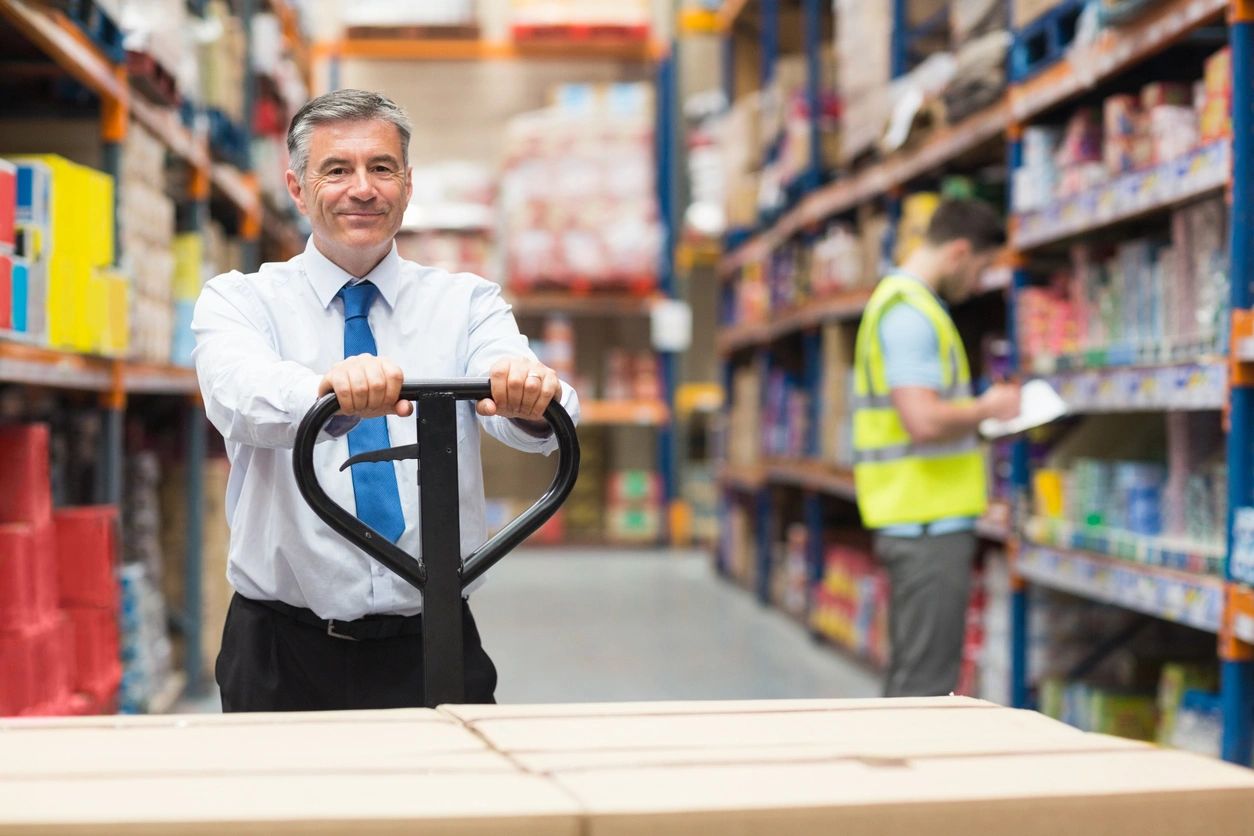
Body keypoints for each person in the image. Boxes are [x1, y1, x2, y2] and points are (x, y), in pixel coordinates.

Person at [191, 89, 580, 712]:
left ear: (406, 183)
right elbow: (237, 397)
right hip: (281, 648)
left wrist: (530, 395)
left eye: (381, 168)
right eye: (337, 170)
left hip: (433, 640)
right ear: (296, 188)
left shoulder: (468, 303)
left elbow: (524, 389)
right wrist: (325, 396)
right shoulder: (240, 301)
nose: (363, 189)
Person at [851, 199, 1019, 698]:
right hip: (924, 525)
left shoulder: (908, 305)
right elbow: (921, 419)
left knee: (914, 677)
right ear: (959, 252)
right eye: (982, 268)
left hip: (919, 519)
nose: (978, 282)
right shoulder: (910, 314)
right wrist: (989, 407)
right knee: (924, 687)